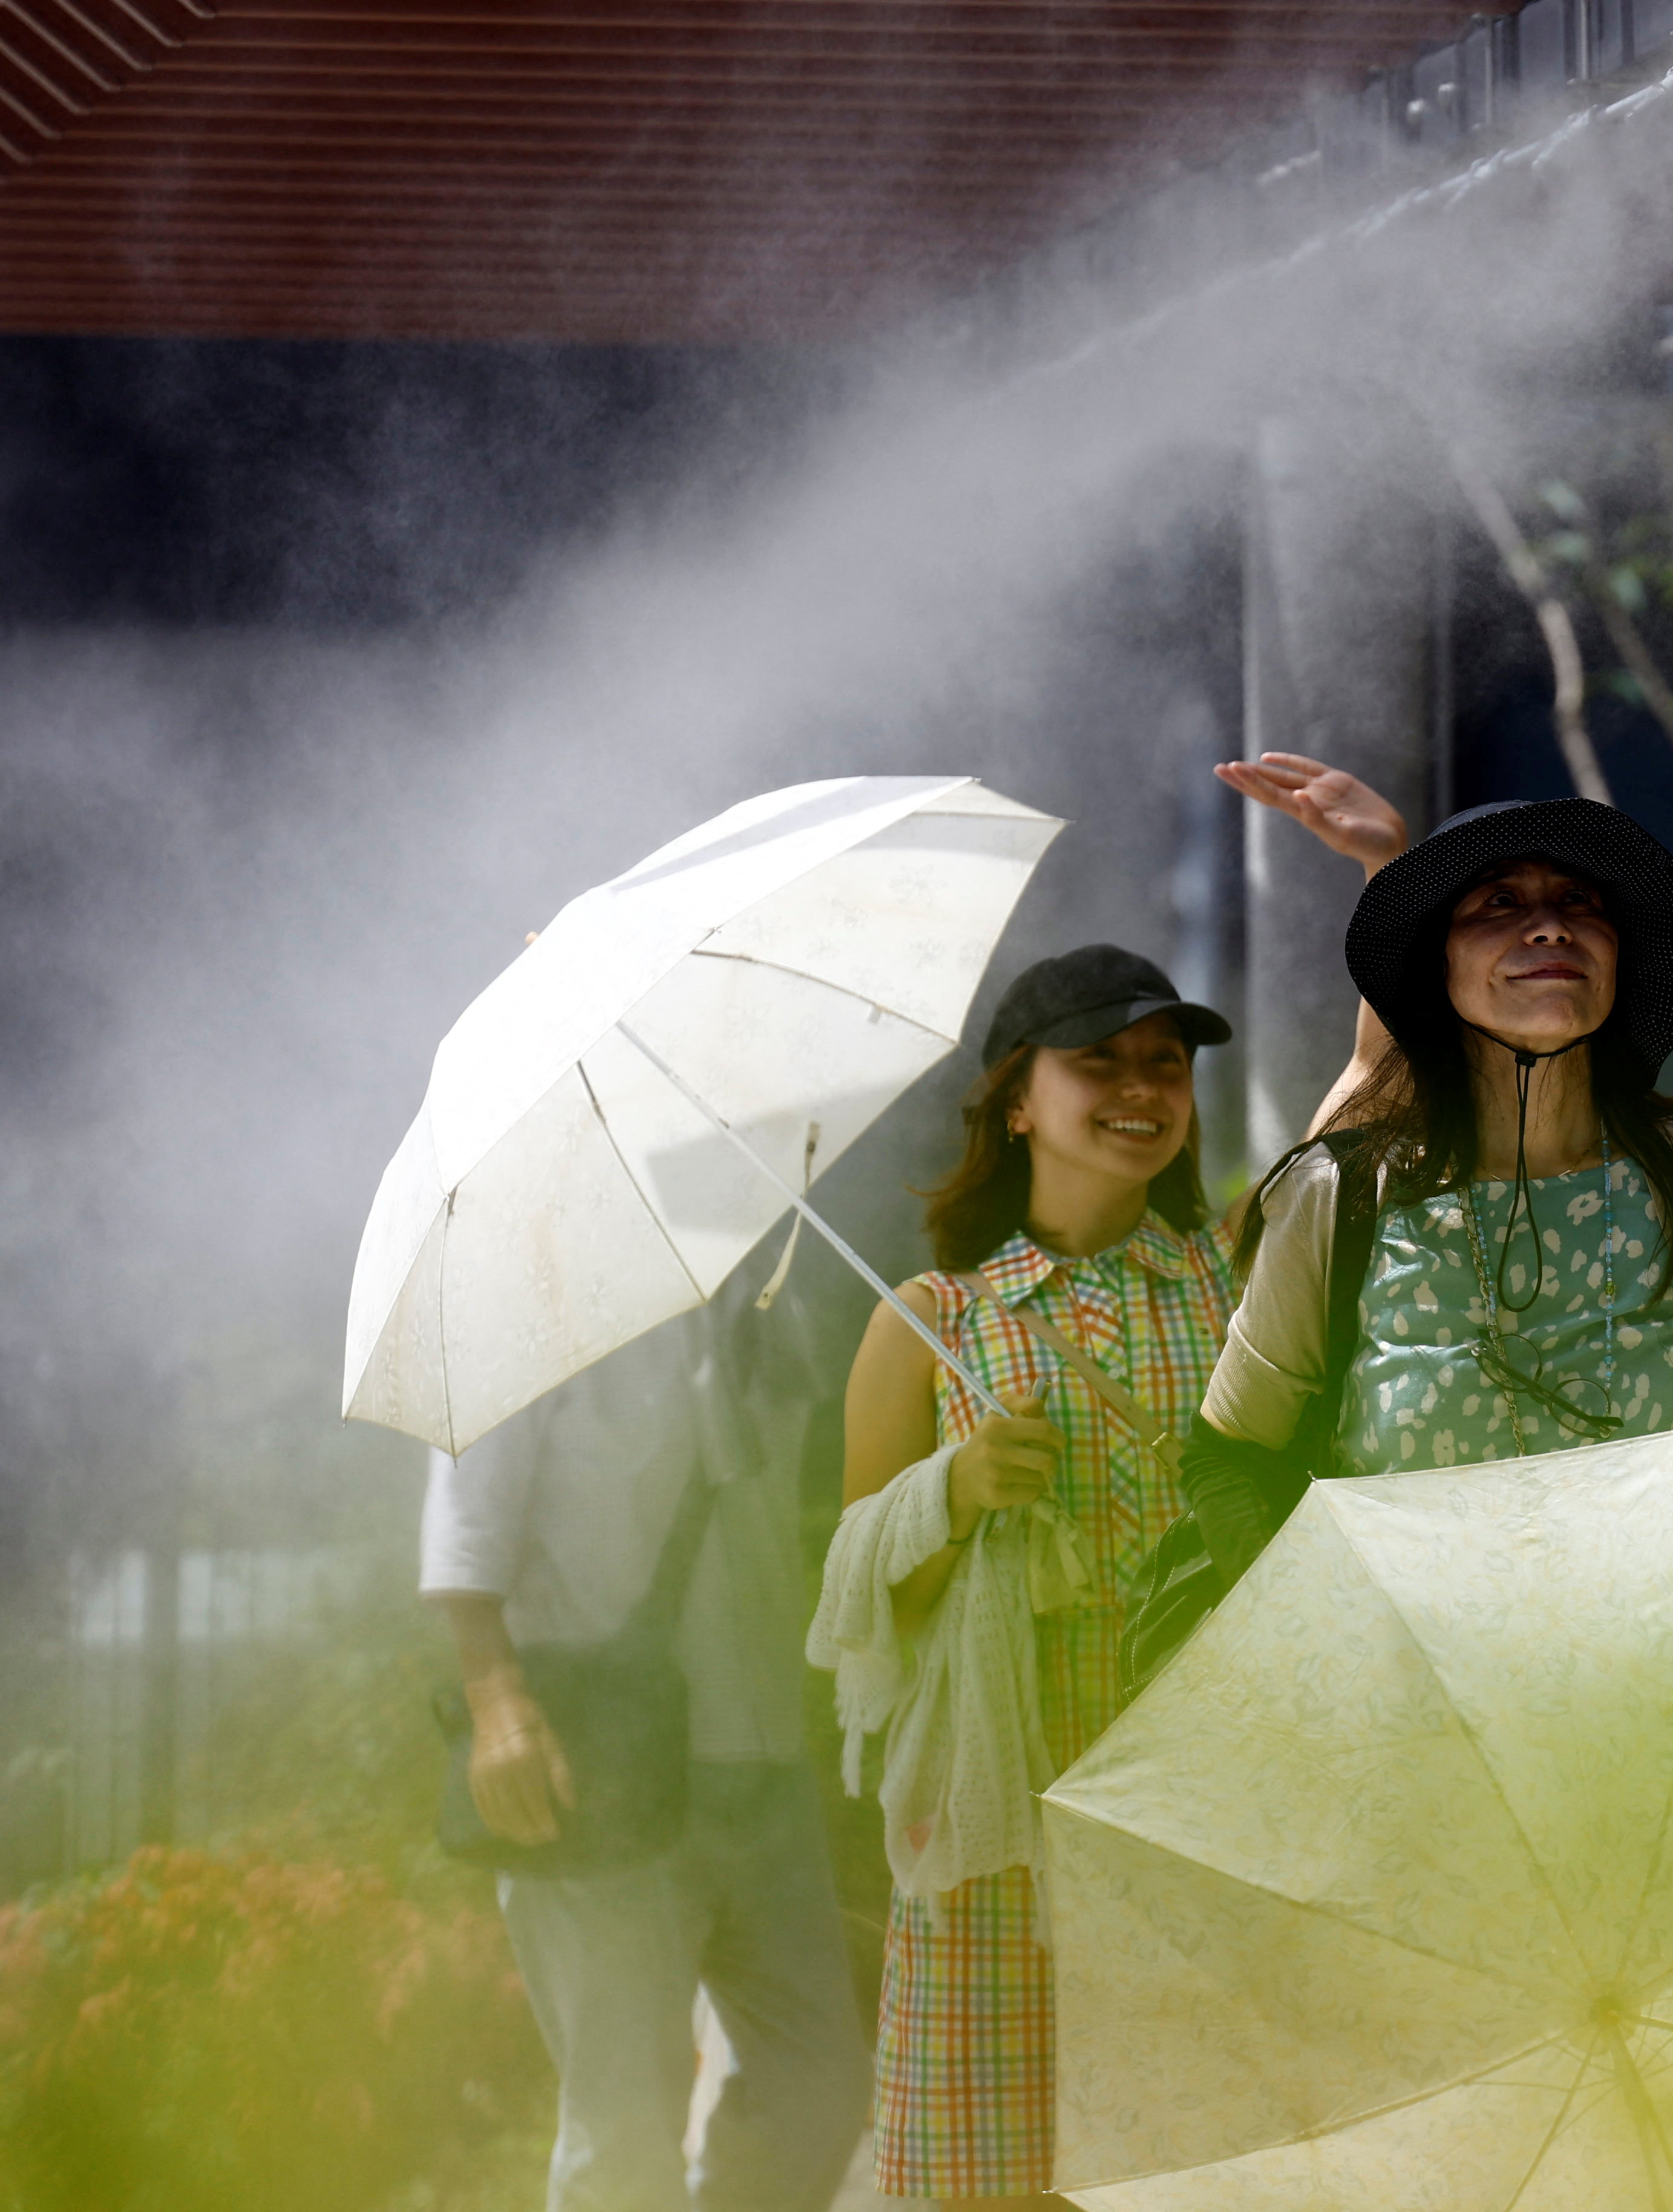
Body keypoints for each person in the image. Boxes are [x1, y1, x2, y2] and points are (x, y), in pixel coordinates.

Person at [807, 758, 1400, 2210]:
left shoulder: (1236, 1268)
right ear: (1015, 1102)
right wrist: (948, 1497)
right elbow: (850, 1604)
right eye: (1101, 1064)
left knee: (1198, 2172)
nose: (1141, 1091)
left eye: (1164, 1064)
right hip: (998, 1828)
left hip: (1203, 1810)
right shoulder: (924, 1322)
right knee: (989, 2181)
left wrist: (1388, 874)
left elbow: (1377, 1088)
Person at [1180, 794, 1673, 1582]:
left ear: (1618, 958)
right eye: (1499, 902)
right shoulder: (1339, 1192)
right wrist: (1300, 1629)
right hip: (1400, 1682)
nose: (1550, 927)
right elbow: (1228, 1456)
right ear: (1438, 967)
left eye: (1579, 901)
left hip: (1642, 1680)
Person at [423, 1301, 866, 2212]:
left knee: (825, 2087)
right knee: (621, 2129)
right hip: (604, 1777)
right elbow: (467, 1529)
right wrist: (497, 1703)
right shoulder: (521, 1316)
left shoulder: (774, 1303)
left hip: (766, 1765)